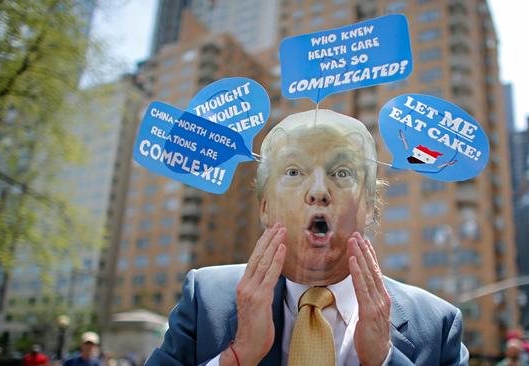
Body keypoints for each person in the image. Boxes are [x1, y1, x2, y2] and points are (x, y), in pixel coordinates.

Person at [145, 109, 469, 366]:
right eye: (294, 172)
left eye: (341, 173)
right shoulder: (204, 298)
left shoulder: (438, 325)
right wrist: (236, 356)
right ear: (266, 208)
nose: (317, 191)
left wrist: (385, 359)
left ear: (368, 208)